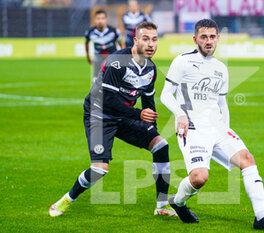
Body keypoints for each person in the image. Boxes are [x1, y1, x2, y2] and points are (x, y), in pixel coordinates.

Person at [160, 19, 264, 232]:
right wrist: (180, 114)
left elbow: (222, 103)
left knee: (247, 159)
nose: (208, 41)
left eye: (212, 37)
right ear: (195, 39)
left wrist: (226, 130)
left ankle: (261, 217)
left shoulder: (221, 68)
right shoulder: (182, 61)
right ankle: (178, 202)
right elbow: (165, 95)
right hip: (191, 128)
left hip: (217, 127)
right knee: (199, 178)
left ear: (218, 38)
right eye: (204, 37)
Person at [49, 22, 177, 218]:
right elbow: (108, 100)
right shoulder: (117, 61)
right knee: (100, 169)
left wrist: (152, 131)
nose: (151, 44)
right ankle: (68, 198)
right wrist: (138, 114)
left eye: (154, 39)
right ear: (135, 40)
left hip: (124, 116)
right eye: (145, 39)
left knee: (161, 146)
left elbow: (148, 104)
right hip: (99, 115)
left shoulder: (151, 69)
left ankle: (162, 205)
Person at [85, 10, 125, 82]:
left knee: (113, 81)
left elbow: (121, 43)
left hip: (112, 59)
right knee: (95, 82)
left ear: (106, 19)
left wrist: (123, 57)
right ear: (95, 19)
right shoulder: (90, 32)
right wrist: (88, 56)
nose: (100, 21)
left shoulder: (114, 31)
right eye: (98, 18)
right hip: (98, 59)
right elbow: (86, 42)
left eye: (102, 18)